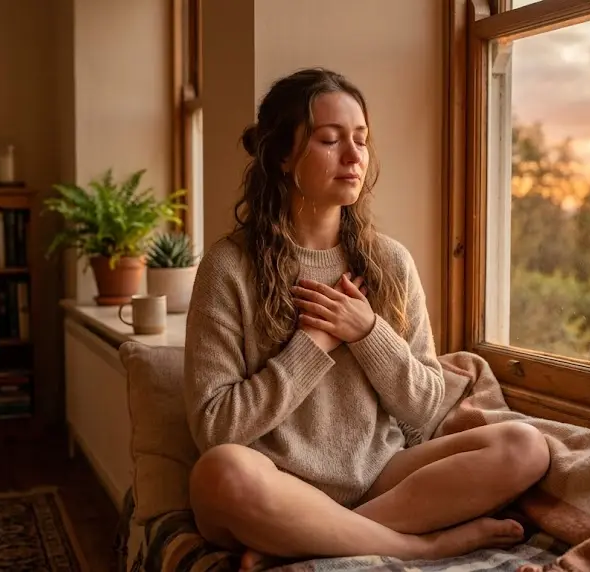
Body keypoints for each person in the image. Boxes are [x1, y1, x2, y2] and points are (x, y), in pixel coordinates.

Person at [183, 67, 551, 571]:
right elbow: (214, 427)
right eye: (330, 140)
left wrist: (367, 332)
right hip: (274, 484)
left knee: (525, 447)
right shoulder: (228, 266)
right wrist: (312, 346)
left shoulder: (390, 262)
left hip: (380, 478)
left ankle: (307, 536)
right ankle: (420, 546)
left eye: (361, 139)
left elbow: (425, 409)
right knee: (220, 471)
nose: (355, 157)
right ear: (283, 155)